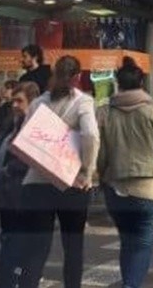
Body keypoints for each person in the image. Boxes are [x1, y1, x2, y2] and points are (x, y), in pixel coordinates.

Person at [97, 57, 153, 288]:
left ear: (118, 84)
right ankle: (130, 285)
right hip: (147, 189)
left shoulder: (105, 113)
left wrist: (101, 176)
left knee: (126, 241)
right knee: (142, 243)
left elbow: (101, 154)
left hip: (115, 188)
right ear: (141, 83)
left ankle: (128, 283)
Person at [18, 55, 99, 288]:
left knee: (36, 248)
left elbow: (26, 138)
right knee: (73, 247)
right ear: (78, 77)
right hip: (71, 184)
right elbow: (91, 135)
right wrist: (87, 171)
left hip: (37, 183)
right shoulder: (83, 102)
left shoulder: (37, 103)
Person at [0, 81, 40, 288]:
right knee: (8, 242)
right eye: (13, 101)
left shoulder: (36, 129)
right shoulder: (12, 124)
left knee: (15, 246)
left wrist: (10, 170)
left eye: (20, 101)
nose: (15, 105)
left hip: (23, 198)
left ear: (33, 102)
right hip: (6, 197)